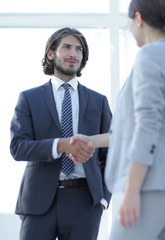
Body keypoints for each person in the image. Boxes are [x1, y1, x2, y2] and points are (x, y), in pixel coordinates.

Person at [71, 0, 165, 239]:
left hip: (150, 185)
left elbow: (147, 125)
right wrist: (90, 140)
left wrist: (132, 189)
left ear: (139, 19)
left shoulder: (151, 55)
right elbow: (135, 130)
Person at [10, 27, 112, 240]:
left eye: (79, 49)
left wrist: (103, 198)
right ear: (50, 53)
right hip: (38, 202)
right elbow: (18, 147)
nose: (73, 54)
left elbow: (112, 153)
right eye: (67, 47)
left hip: (85, 202)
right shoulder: (29, 99)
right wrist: (60, 145)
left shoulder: (98, 101)